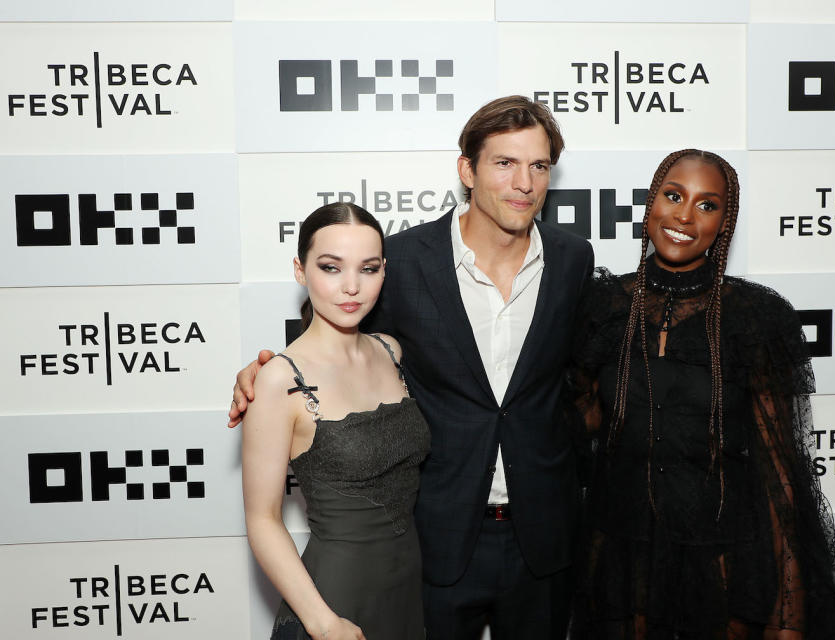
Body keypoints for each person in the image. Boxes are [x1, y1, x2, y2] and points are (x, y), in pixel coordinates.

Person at [230, 96, 595, 639]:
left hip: (544, 544)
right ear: (466, 170)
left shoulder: (573, 259)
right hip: (435, 546)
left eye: (538, 165)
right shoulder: (400, 261)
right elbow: (335, 330)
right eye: (504, 163)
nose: (524, 182)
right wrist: (262, 372)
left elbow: (582, 375)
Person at [567, 150, 835, 639]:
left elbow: (781, 473)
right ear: (650, 205)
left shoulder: (754, 317)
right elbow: (577, 426)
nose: (684, 216)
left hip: (720, 562)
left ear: (725, 223)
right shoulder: (602, 306)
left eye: (708, 205)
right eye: (673, 196)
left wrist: (788, 614)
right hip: (621, 559)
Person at [242, 202, 430, 640]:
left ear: (384, 271)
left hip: (406, 597)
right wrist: (323, 623)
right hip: (332, 606)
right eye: (331, 267)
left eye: (367, 269)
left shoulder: (390, 351)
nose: (351, 287)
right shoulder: (279, 381)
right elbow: (263, 519)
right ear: (300, 270)